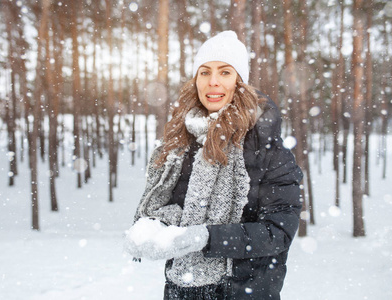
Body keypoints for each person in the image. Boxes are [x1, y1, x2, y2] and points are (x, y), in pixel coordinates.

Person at [124, 30, 303, 300]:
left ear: (239, 81)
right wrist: (154, 228)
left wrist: (207, 237)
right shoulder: (181, 140)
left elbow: (277, 232)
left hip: (244, 291)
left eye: (225, 72)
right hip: (181, 289)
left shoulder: (268, 148)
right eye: (205, 72)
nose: (213, 82)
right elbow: (168, 208)